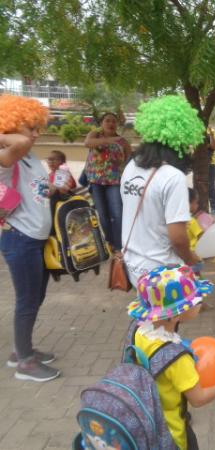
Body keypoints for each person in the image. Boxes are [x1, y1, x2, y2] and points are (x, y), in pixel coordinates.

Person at [127, 265, 215, 450]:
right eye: (195, 301)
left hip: (147, 419)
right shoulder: (177, 358)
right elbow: (198, 399)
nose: (200, 302)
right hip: (170, 433)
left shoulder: (138, 329)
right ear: (176, 314)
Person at [0, 95, 60, 382]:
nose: (36, 134)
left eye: (39, 127)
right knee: (27, 300)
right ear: (10, 125)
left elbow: (36, 189)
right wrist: (8, 131)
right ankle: (24, 362)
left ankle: (22, 350)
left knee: (36, 297)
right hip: (19, 239)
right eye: (30, 127)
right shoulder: (7, 155)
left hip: (35, 238)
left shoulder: (29, 155)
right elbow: (19, 143)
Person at [120, 95, 202, 285]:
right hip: (162, 272)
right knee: (172, 316)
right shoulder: (173, 177)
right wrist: (191, 260)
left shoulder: (131, 166)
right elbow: (178, 238)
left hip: (133, 266)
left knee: (147, 314)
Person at [84, 112, 131, 253]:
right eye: (107, 121)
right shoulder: (94, 135)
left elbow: (129, 160)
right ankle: (110, 241)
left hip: (114, 181)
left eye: (113, 121)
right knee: (102, 215)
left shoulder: (123, 141)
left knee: (117, 214)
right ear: (101, 123)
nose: (111, 123)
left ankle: (119, 245)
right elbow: (87, 143)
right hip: (96, 181)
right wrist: (110, 140)